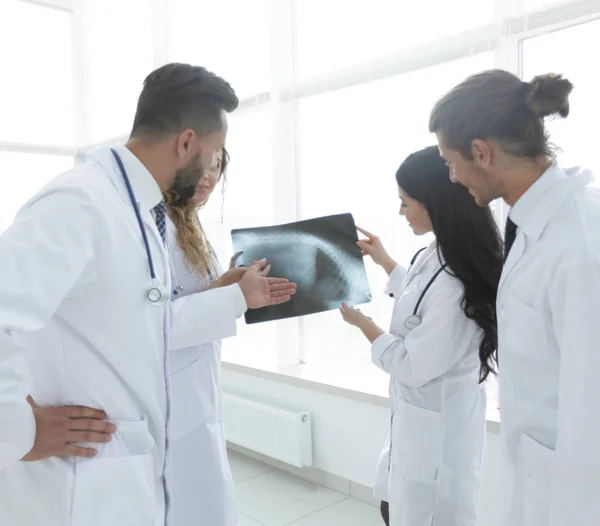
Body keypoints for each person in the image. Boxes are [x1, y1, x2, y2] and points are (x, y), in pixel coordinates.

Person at [0, 63, 296, 526]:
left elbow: (141, 322)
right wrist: (17, 430)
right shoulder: (81, 202)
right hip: (83, 481)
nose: (214, 168)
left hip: (128, 468)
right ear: (186, 143)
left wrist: (224, 295)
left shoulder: (144, 214)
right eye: (213, 151)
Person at [429, 70, 600, 526]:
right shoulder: (532, 228)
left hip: (569, 502)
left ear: (481, 153)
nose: (451, 176)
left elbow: (593, 418)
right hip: (535, 483)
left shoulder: (579, 248)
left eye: (450, 162)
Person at [340, 146, 503, 526]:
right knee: (392, 503)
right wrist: (385, 261)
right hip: (418, 419)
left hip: (438, 426)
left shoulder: (458, 280)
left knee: (422, 513)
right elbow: (422, 299)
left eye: (404, 202)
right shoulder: (440, 251)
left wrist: (366, 327)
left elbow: (413, 364)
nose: (400, 212)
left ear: (433, 203)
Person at [165, 147, 256, 526]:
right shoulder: (157, 229)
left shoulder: (189, 224)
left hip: (196, 387)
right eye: (203, 165)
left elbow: (190, 297)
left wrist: (227, 285)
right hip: (171, 396)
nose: (209, 175)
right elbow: (150, 323)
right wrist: (234, 296)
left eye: (217, 167)